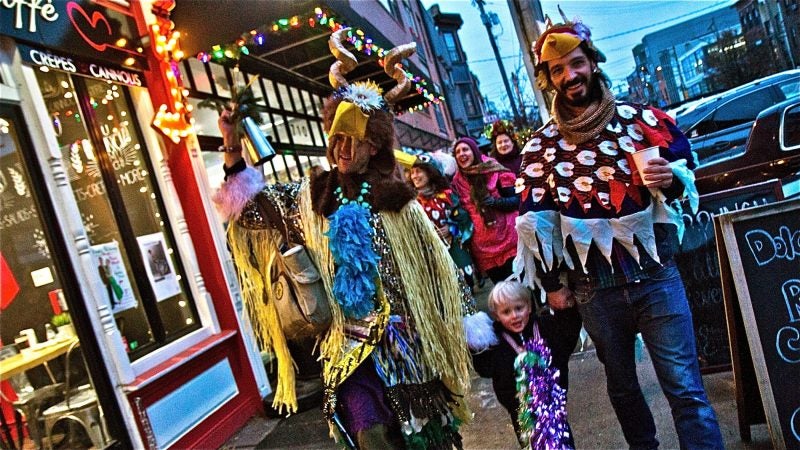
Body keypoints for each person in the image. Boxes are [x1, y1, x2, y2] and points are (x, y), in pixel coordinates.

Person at [213, 29, 489, 449]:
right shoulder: (312, 196)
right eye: (337, 137)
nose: (342, 148)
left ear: (374, 146)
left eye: (354, 140)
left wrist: (470, 322)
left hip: (406, 341)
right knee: (369, 434)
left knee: (425, 438)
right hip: (348, 348)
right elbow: (253, 210)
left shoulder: (399, 202)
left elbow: (440, 268)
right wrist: (232, 146)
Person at [515, 13, 724, 450]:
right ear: (549, 79)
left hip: (656, 276)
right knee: (625, 392)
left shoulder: (641, 121)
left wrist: (672, 179)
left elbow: (691, 184)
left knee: (685, 389)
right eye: (558, 70)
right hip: (595, 290)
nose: (570, 76)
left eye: (576, 63)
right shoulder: (540, 149)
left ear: (592, 62)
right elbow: (537, 223)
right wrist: (554, 286)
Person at [472, 281, 581, 448]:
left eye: (519, 308)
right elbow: (486, 369)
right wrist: (476, 346)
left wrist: (568, 310)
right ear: (496, 316)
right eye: (506, 312)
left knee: (564, 443)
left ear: (529, 307)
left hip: (554, 408)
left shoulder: (545, 327)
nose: (515, 315)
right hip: (522, 414)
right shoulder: (497, 343)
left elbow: (567, 340)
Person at [451, 137, 519, 284]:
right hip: (484, 251)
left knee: (520, 289)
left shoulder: (493, 169)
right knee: (502, 295)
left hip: (509, 241)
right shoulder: (456, 183)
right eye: (457, 152)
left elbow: (516, 202)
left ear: (474, 151)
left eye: (465, 149)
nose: (462, 154)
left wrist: (495, 202)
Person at [410, 154, 476, 291]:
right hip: (431, 256)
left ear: (430, 172)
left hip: (454, 249)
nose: (415, 176)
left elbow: (464, 219)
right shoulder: (412, 203)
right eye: (412, 172)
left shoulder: (446, 195)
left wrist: (451, 228)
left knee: (465, 284)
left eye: (418, 171)